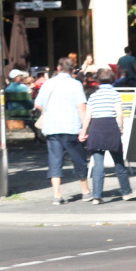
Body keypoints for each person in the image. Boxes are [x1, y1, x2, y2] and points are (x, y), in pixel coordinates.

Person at [34, 57, 90, 204]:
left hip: (52, 127)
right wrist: (84, 128)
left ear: (58, 68)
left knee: (55, 160)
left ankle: (56, 195)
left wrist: (49, 110)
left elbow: (37, 103)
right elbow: (82, 107)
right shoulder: (76, 84)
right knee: (79, 159)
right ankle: (85, 191)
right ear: (72, 70)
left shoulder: (48, 84)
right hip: (71, 127)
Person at [80, 67, 136, 204]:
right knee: (118, 162)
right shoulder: (115, 94)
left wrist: (84, 132)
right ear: (112, 79)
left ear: (97, 81)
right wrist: (121, 127)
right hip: (111, 129)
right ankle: (126, 192)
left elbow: (88, 117)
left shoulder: (93, 96)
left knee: (97, 164)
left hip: (96, 129)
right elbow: (119, 113)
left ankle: (96, 196)